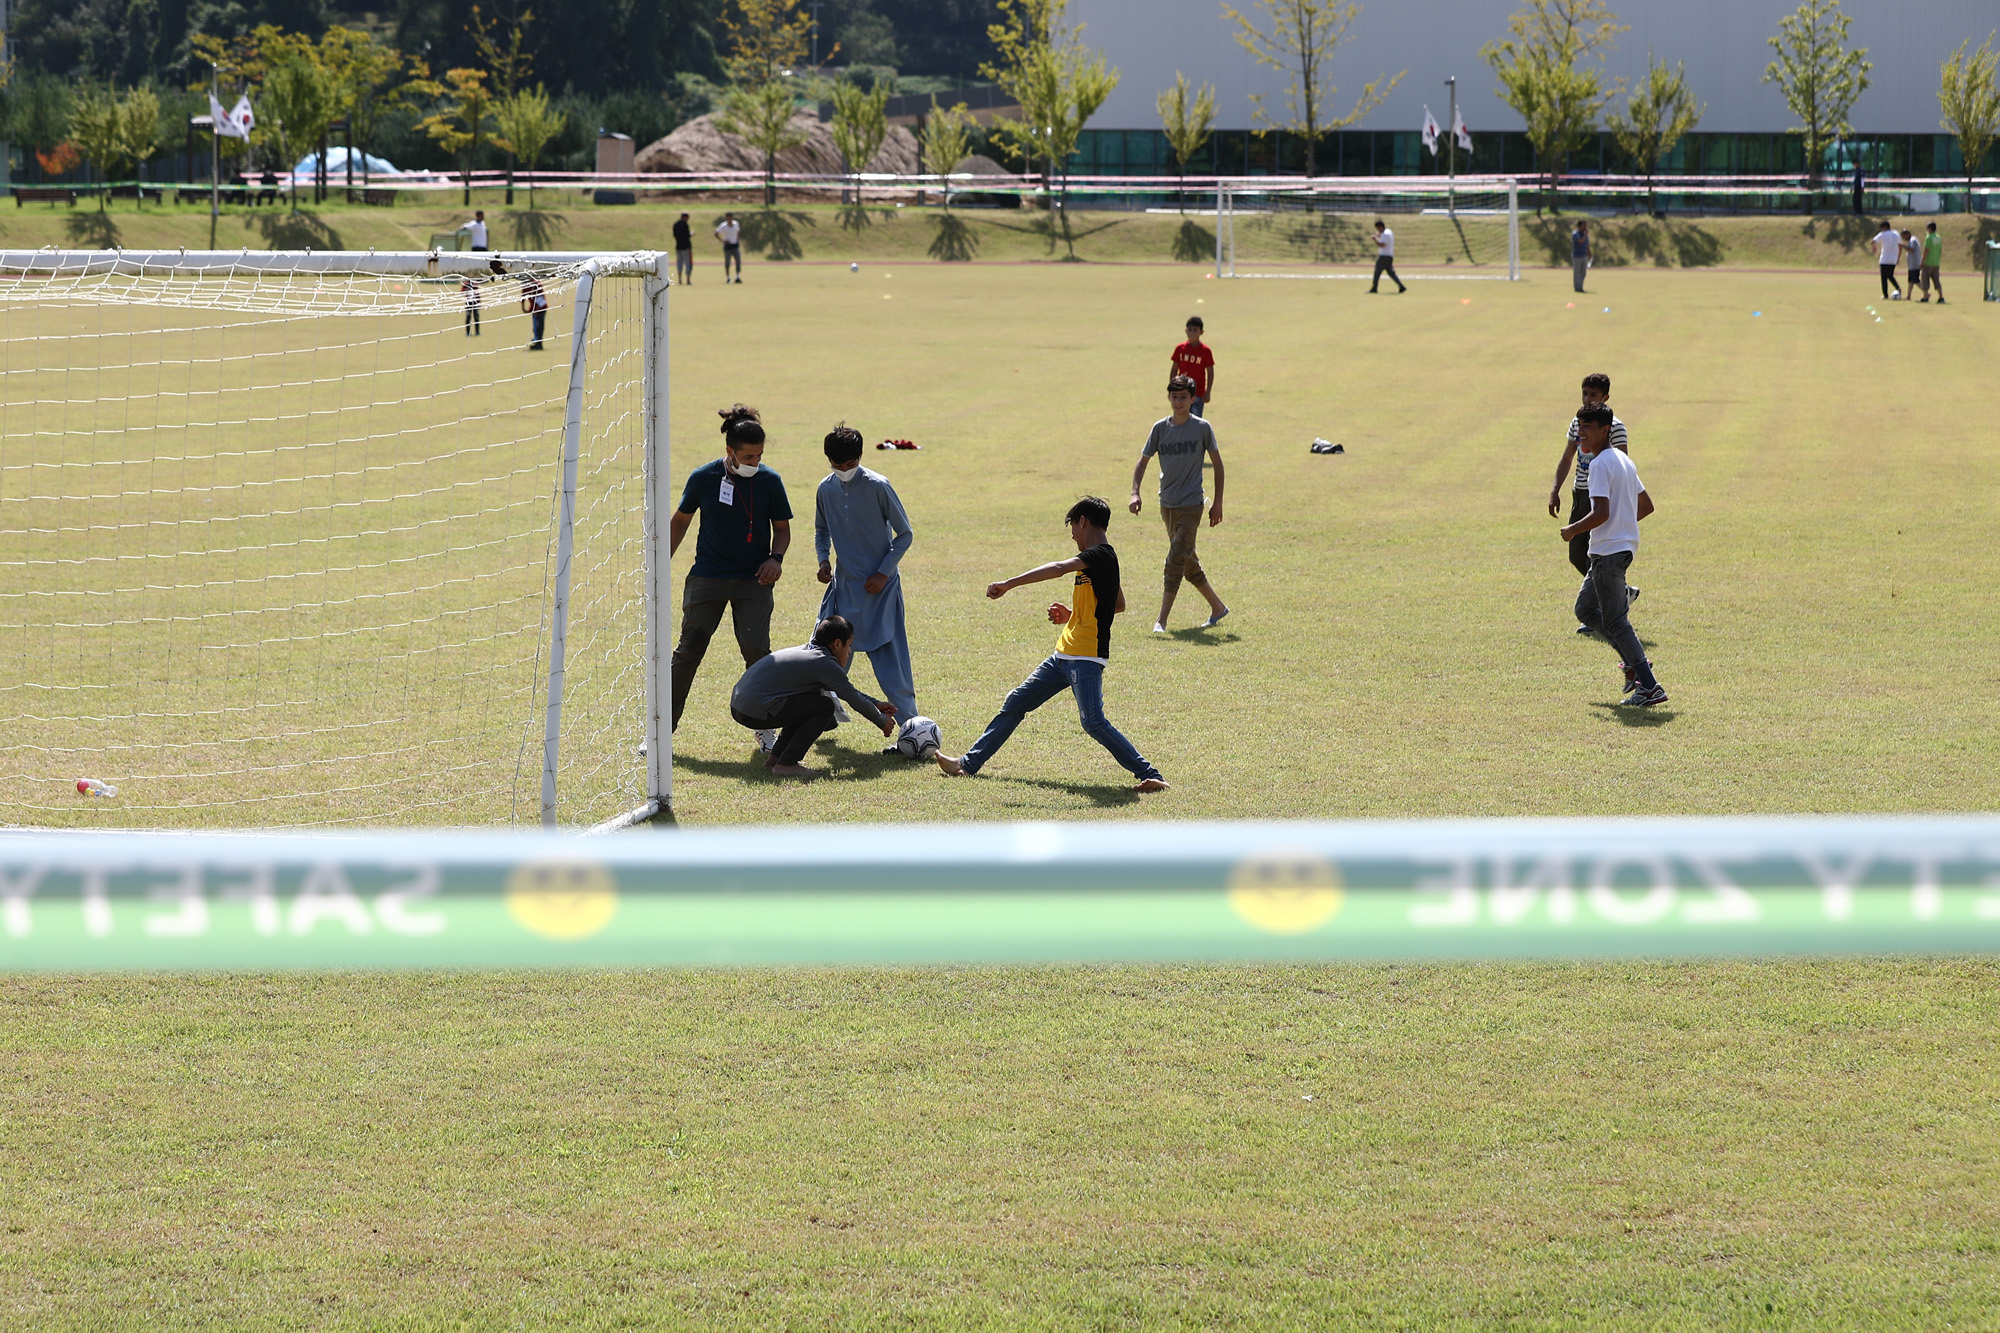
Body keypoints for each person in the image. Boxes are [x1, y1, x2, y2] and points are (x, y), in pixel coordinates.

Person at [935, 496, 1168, 793]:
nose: (1073, 536)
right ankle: (966, 764)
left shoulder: (1102, 555)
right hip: (1063, 655)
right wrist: (1075, 616)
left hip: (1086, 657)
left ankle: (1151, 774)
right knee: (1015, 701)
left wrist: (1009, 584)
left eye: (1073, 528)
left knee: (1093, 723)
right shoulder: (1100, 562)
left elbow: (1059, 567)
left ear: (1083, 521)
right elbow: (1117, 604)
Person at [668, 405, 793, 750]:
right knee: (689, 649)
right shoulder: (704, 478)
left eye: (759, 456)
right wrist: (661, 562)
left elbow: (781, 530)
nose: (754, 462)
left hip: (754, 581)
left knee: (757, 652)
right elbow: (680, 520)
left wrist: (776, 558)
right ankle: (661, 731)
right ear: (730, 453)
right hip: (708, 577)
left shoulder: (770, 481)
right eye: (748, 456)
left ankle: (767, 729)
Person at [814, 424, 919, 745]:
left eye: (850, 464)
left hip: (880, 591)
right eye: (836, 465)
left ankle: (913, 728)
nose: (843, 471)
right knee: (822, 659)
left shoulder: (878, 486)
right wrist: (823, 560)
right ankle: (817, 716)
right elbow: (821, 530)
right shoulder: (825, 489)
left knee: (891, 663)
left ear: (859, 457)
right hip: (844, 589)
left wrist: (883, 572)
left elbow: (905, 534)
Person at [1558, 403, 1666, 707]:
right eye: (1580, 426)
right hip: (1617, 549)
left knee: (1616, 621)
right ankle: (1634, 664)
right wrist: (1623, 526)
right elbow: (1645, 505)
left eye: (1588, 427)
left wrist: (1573, 530)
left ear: (1606, 430)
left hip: (1608, 553)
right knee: (1586, 610)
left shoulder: (1602, 464)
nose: (1582, 433)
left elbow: (1601, 513)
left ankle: (1649, 685)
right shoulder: (1624, 461)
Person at [730, 616, 896, 779]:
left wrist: (876, 704)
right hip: (753, 710)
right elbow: (853, 698)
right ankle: (787, 764)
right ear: (838, 644)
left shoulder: (809, 652)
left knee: (805, 703)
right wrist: (882, 722)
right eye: (849, 646)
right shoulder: (823, 662)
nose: (850, 652)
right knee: (823, 707)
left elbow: (847, 691)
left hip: (740, 705)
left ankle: (776, 759)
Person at [1129, 374, 1228, 634]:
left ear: (1192, 398)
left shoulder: (1202, 428)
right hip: (1167, 504)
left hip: (1192, 504)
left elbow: (1218, 464)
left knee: (1174, 560)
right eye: (1174, 396)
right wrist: (1135, 492)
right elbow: (1143, 461)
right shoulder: (1160, 429)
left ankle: (1161, 621)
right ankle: (1218, 607)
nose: (1178, 401)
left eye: (1183, 396)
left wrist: (1217, 503)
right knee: (1187, 560)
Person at [1546, 372, 1634, 630]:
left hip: (1603, 494)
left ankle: (1601, 607)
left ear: (1605, 397)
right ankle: (1619, 592)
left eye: (1593, 394)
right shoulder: (1578, 423)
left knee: (1596, 553)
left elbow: (1622, 465)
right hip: (1581, 492)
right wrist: (1555, 488)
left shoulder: (1614, 427)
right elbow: (1567, 458)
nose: (1587, 398)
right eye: (1584, 393)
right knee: (1577, 554)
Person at [1169, 316, 1216, 417]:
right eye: (1190, 330)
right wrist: (1172, 389)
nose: (1192, 333)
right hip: (1181, 392)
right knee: (1180, 418)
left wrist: (1208, 392)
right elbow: (1174, 369)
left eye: (1195, 330)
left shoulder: (1205, 351)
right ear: (1186, 331)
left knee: (1195, 420)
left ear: (1201, 332)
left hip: (1198, 393)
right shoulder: (1180, 349)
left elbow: (1210, 372)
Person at [1370, 219, 1407, 294]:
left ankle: (1374, 288)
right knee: (1391, 273)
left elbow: (1382, 245)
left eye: (1377, 228)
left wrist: (1375, 239)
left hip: (1384, 256)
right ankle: (1401, 286)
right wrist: (1379, 235)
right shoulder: (1388, 231)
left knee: (1377, 272)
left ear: (1380, 227)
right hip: (1389, 256)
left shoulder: (1385, 234)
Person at [1871, 221, 1904, 300]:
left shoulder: (1883, 234)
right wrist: (1898, 257)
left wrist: (1874, 248)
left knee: (1884, 278)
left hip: (1884, 259)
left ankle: (1885, 295)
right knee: (1890, 275)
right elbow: (1900, 246)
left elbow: (1873, 241)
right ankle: (1898, 288)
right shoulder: (1896, 234)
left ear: (1885, 227)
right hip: (1893, 259)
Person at [519, 272, 548, 350]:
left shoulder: (536, 285)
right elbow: (523, 297)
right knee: (535, 326)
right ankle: (537, 342)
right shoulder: (526, 286)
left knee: (539, 326)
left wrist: (537, 310)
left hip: (541, 308)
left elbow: (540, 298)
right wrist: (523, 308)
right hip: (534, 309)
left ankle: (539, 344)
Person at [715, 212, 743, 284]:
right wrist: (723, 241)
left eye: (731, 217)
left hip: (735, 245)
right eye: (729, 217)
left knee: (738, 261)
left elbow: (738, 231)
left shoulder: (736, 224)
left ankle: (737, 276)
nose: (730, 218)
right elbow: (716, 233)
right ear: (727, 218)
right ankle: (728, 278)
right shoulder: (723, 225)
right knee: (727, 262)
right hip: (728, 246)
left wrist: (737, 239)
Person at [1921, 221, 1945, 304]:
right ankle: (1941, 297)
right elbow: (1940, 250)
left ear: (1929, 229)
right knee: (1936, 281)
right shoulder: (1938, 238)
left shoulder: (1929, 238)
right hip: (1936, 263)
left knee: (1925, 280)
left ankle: (1925, 297)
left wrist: (1922, 261)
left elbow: (1926, 250)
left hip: (1928, 262)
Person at [672, 213, 694, 285]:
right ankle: (688, 280)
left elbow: (674, 235)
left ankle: (680, 280)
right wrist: (691, 233)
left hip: (678, 247)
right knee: (688, 263)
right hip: (686, 247)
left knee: (679, 263)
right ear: (685, 217)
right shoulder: (685, 224)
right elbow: (687, 235)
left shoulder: (675, 224)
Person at [1571, 220, 1591, 293]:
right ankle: (1577, 288)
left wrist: (1590, 254)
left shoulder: (1585, 235)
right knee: (1577, 272)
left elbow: (1587, 245)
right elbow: (1580, 241)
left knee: (1583, 272)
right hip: (1577, 256)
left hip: (1584, 255)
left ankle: (1581, 287)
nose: (1585, 227)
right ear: (1579, 226)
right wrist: (1585, 235)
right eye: (1584, 225)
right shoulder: (1575, 234)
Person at [1903, 229, 1922, 297]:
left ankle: (1926, 292)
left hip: (1915, 264)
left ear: (1907, 235)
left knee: (1915, 280)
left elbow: (1911, 249)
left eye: (1903, 236)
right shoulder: (1911, 240)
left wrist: (1902, 246)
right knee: (1910, 281)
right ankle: (1908, 296)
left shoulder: (1913, 240)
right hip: (1911, 264)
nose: (1903, 238)